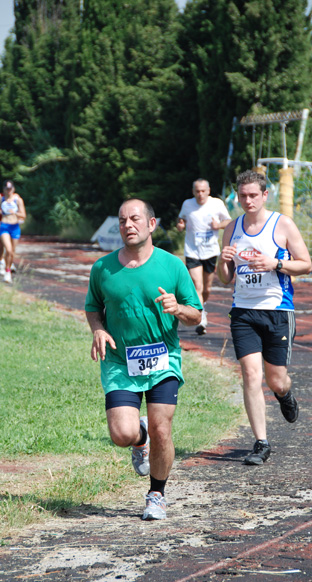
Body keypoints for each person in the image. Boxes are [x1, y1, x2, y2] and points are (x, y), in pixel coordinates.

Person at [85, 198, 202, 520]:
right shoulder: (103, 268)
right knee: (121, 434)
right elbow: (93, 307)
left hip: (162, 359)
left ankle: (156, 494)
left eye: (135, 219)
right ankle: (140, 437)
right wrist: (97, 330)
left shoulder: (172, 266)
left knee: (163, 428)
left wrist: (178, 308)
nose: (128, 225)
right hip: (120, 362)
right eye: (122, 220)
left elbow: (197, 315)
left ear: (152, 224)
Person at [218, 170, 312, 466]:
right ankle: (261, 442)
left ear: (264, 195)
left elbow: (306, 265)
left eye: (253, 195)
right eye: (243, 196)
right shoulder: (232, 228)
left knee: (276, 380)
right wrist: (223, 262)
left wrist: (277, 263)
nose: (248, 201)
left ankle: (285, 394)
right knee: (250, 374)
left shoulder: (281, 224)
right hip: (243, 312)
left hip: (278, 311)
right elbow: (224, 279)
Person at [177, 178, 231, 335]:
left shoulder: (217, 204)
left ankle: (202, 307)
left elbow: (228, 221)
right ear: (193, 192)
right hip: (192, 251)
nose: (200, 194)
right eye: (197, 191)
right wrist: (180, 224)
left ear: (208, 191)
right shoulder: (187, 204)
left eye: (203, 191)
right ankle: (201, 318)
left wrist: (218, 225)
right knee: (197, 285)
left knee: (206, 288)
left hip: (210, 251)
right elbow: (182, 219)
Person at [0, 180, 26, 283]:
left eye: (10, 189)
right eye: (6, 188)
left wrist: (15, 213)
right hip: (4, 226)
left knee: (12, 252)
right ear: (3, 189)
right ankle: (7, 270)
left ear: (13, 189)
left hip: (15, 227)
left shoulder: (18, 200)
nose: (8, 191)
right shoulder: (0, 198)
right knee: (7, 249)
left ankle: (8, 265)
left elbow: (23, 215)